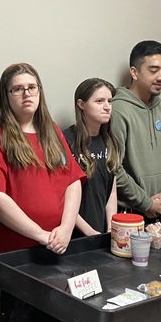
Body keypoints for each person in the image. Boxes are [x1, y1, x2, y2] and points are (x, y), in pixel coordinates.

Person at [0, 63, 86, 262]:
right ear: (6, 95)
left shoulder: (52, 131)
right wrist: (40, 234)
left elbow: (73, 181)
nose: (26, 93)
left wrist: (66, 229)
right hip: (13, 253)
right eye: (18, 89)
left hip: (56, 246)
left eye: (31, 87)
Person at [111, 40, 161, 218]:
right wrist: (145, 202)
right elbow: (114, 167)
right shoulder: (118, 110)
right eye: (154, 70)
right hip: (128, 214)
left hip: (160, 211)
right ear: (134, 72)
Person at [63, 78, 121, 235]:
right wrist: (89, 233)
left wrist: (111, 227)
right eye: (99, 101)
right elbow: (60, 196)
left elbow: (112, 191)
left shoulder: (110, 141)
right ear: (82, 104)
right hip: (74, 234)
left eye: (109, 101)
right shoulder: (66, 141)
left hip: (101, 230)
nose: (107, 107)